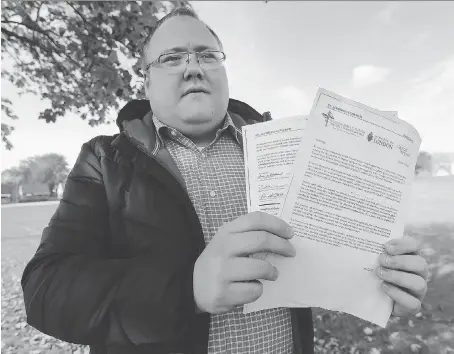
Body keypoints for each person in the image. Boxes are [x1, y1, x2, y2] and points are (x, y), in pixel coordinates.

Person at [21, 7, 429, 354]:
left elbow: (325, 264)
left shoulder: (287, 150)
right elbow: (46, 290)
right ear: (146, 81)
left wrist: (380, 284)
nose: (193, 67)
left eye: (207, 55)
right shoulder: (105, 160)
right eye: (172, 57)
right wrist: (188, 289)